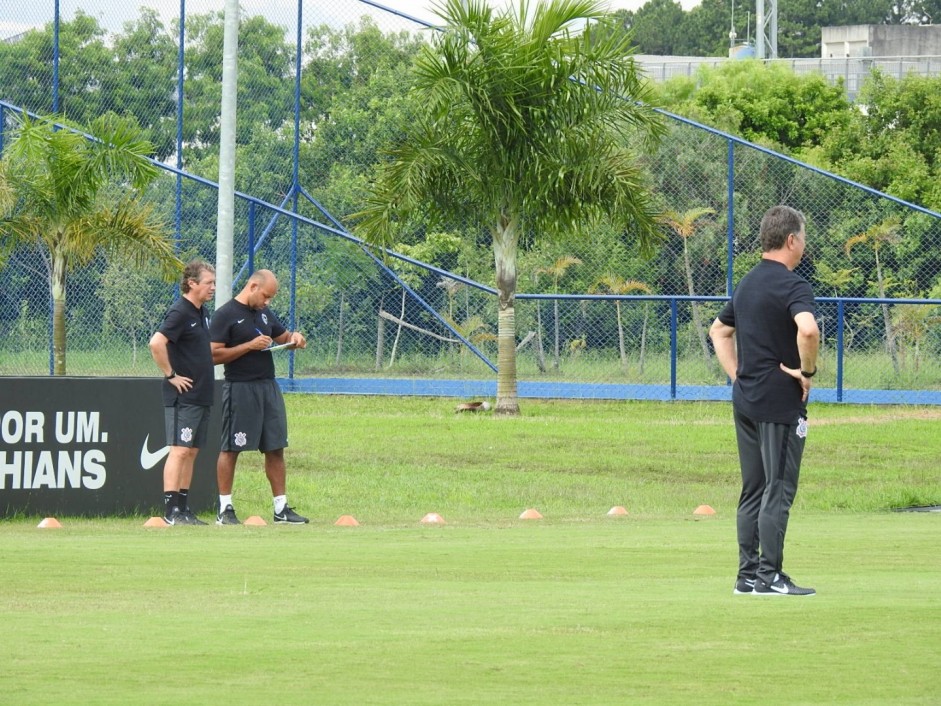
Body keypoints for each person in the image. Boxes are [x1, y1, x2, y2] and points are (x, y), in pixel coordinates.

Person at [709, 205, 820, 597]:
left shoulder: (747, 283)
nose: (803, 245)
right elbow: (807, 330)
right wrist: (806, 374)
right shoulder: (794, 286)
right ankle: (770, 576)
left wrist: (738, 375)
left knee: (753, 487)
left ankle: (747, 576)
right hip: (779, 401)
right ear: (791, 240)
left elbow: (719, 330)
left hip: (746, 400)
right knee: (778, 487)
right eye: (803, 237)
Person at [209, 269, 309, 525]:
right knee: (231, 448)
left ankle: (281, 509)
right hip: (240, 388)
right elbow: (212, 355)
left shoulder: (263, 313)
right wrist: (248, 347)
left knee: (275, 447)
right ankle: (225, 509)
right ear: (253, 286)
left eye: (271, 298)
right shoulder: (225, 315)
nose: (267, 302)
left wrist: (294, 339)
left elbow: (283, 336)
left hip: (268, 387)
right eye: (265, 296)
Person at [149, 260, 217, 526]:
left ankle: (184, 508)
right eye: (209, 282)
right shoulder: (180, 312)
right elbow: (156, 343)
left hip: (202, 395)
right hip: (183, 398)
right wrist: (171, 376)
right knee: (178, 450)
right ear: (192, 283)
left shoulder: (202, 312)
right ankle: (170, 511)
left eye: (213, 282)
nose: (213, 287)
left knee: (191, 451)